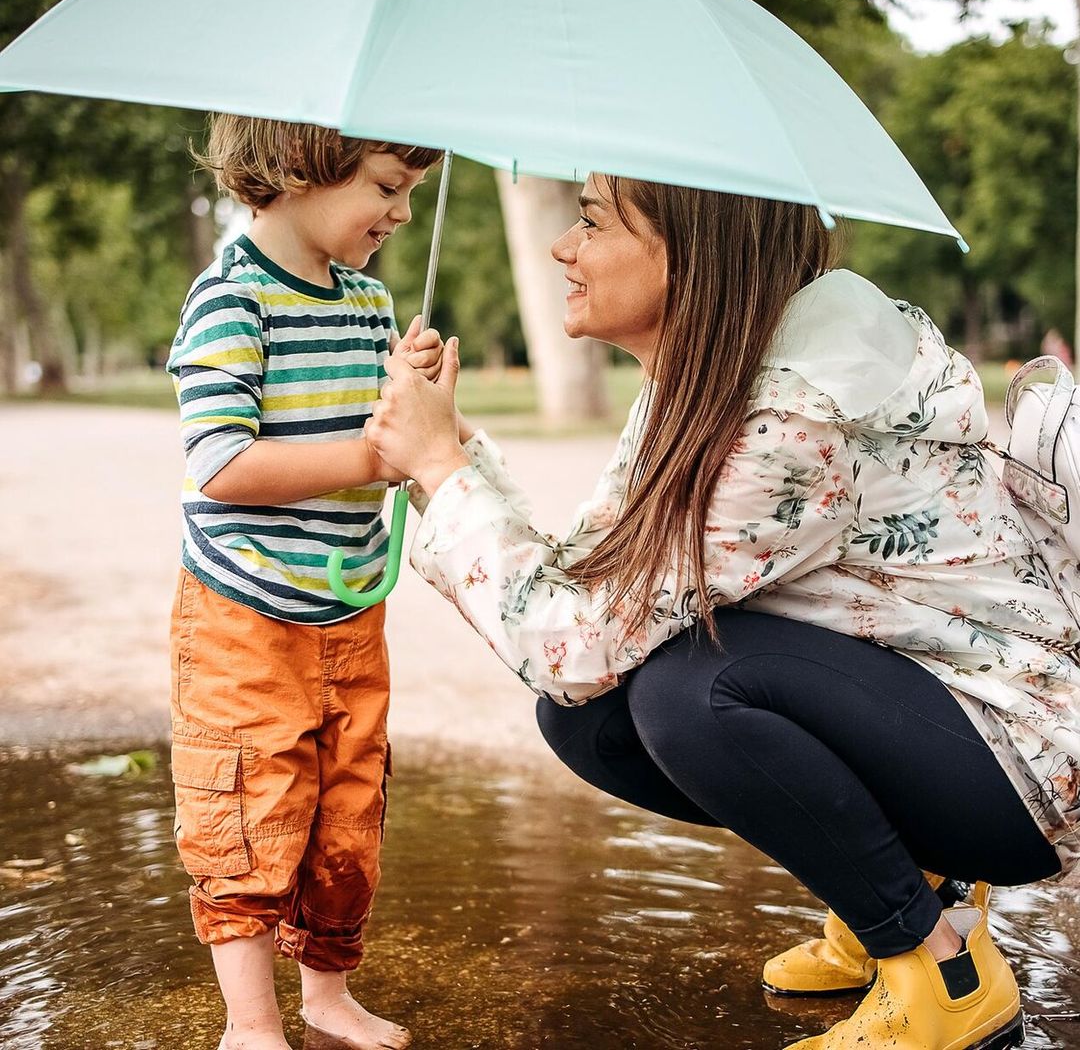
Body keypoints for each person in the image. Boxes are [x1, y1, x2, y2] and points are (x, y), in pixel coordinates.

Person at [366, 174, 1080, 1050]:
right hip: (929, 719)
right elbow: (594, 588)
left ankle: (945, 978)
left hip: (1015, 767)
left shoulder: (795, 417)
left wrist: (443, 473)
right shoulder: (707, 378)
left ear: (685, 248)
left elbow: (573, 643)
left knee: (692, 693)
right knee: (591, 721)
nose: (564, 248)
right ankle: (903, 899)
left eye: (589, 223)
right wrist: (459, 445)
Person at [165, 114, 444, 1050]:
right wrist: (372, 446)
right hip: (246, 604)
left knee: (349, 806)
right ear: (296, 166)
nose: (403, 212)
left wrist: (414, 400)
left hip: (351, 602)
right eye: (385, 186)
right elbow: (222, 463)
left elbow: (394, 439)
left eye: (410, 192)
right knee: (249, 797)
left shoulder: (369, 303)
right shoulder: (230, 299)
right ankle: (251, 1022)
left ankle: (327, 997)